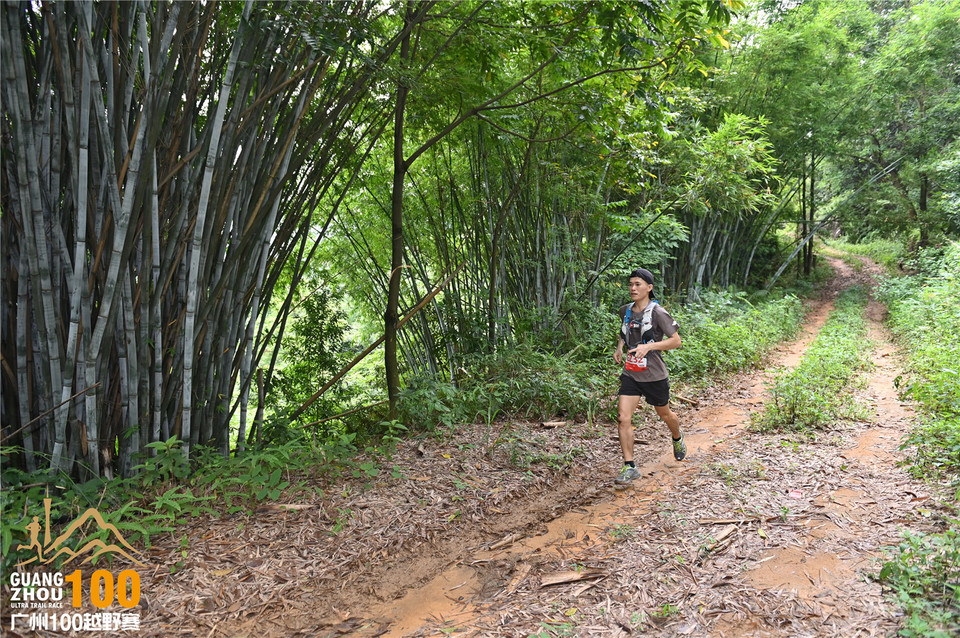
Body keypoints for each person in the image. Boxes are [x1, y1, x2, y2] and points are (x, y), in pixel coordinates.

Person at [612, 268, 685, 485]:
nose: (633, 288)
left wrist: (649, 347)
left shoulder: (658, 313)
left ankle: (677, 436)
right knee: (623, 417)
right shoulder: (625, 310)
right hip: (631, 373)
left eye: (638, 284)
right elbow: (624, 331)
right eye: (631, 284)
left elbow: (676, 341)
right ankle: (630, 466)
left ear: (649, 288)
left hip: (654, 374)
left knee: (665, 414)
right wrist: (619, 348)